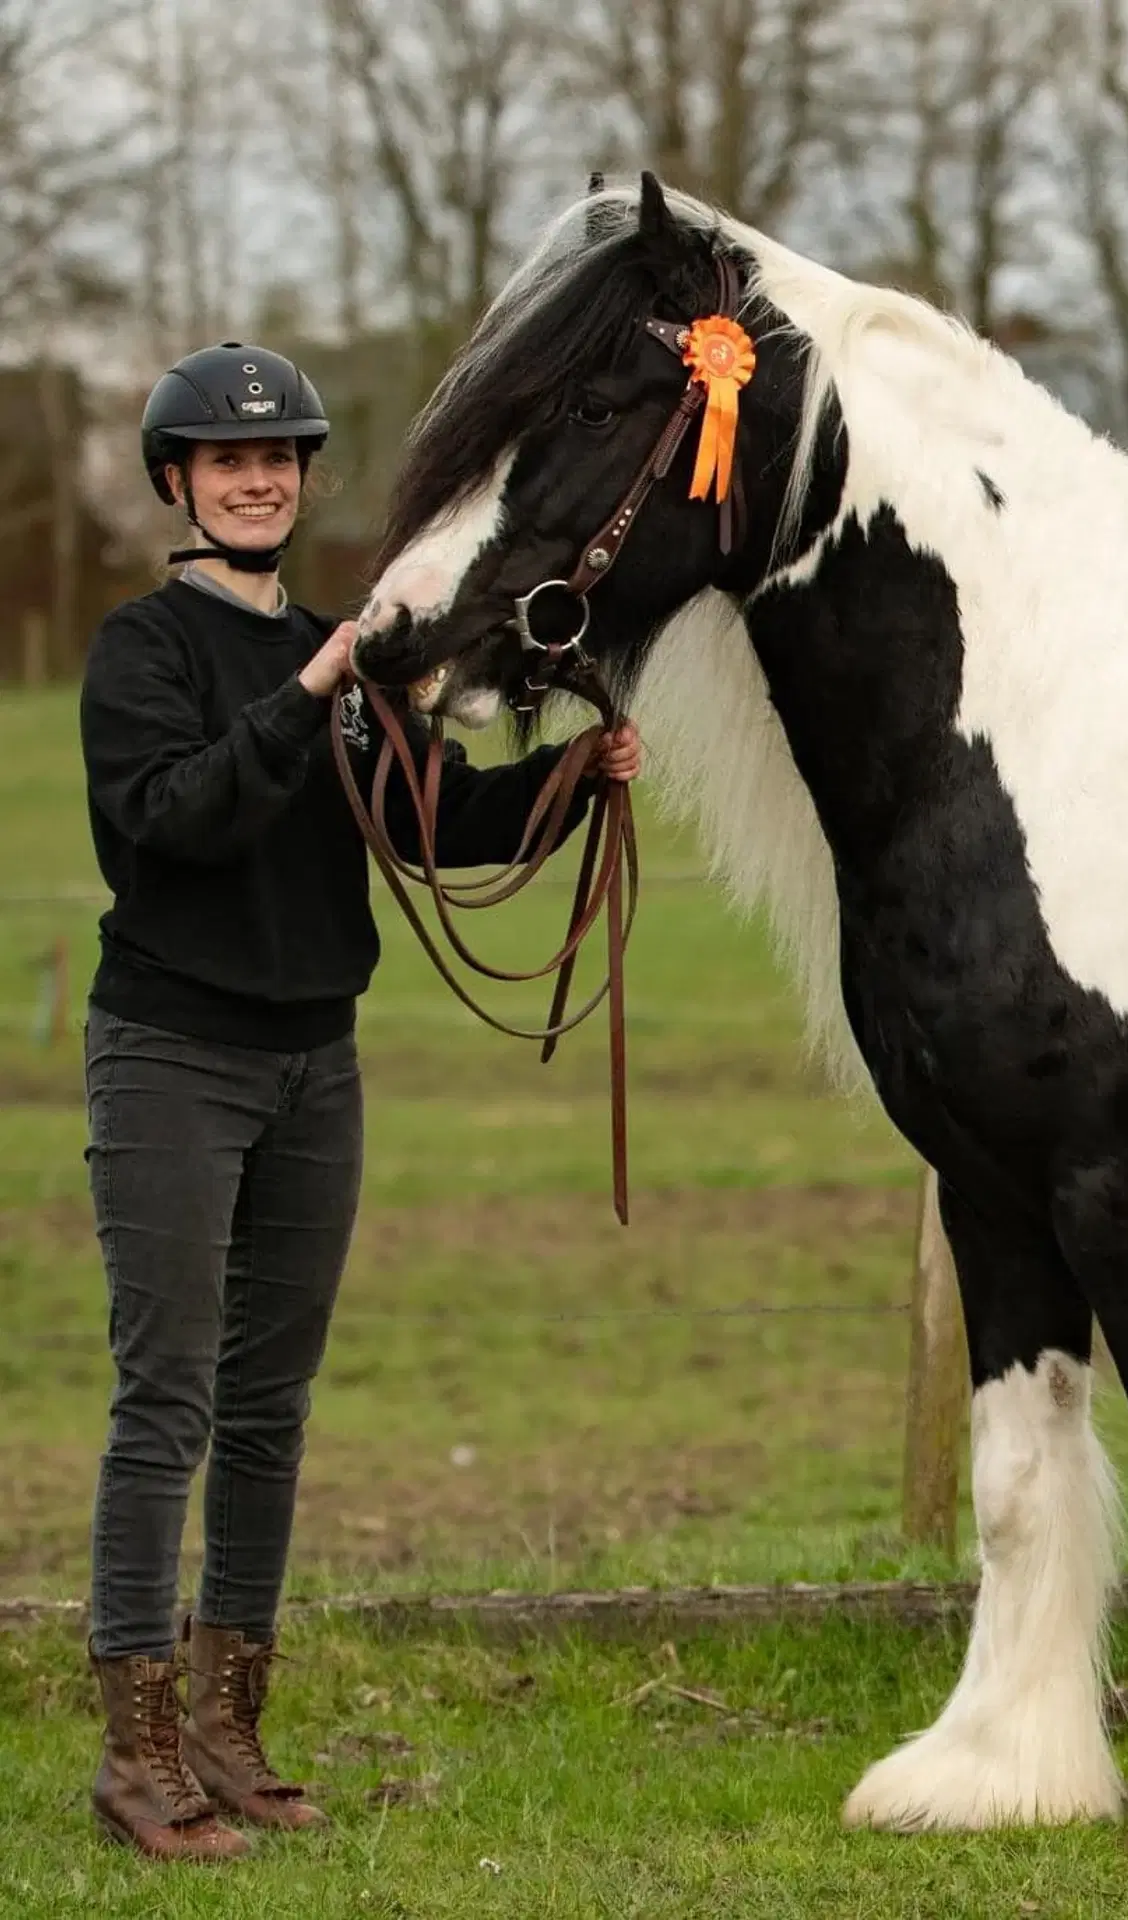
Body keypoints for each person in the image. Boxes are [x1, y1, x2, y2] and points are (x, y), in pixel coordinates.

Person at [75, 341, 642, 1860]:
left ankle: (228, 1733)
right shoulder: (144, 654)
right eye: (227, 461)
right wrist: (314, 687)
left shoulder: (346, 650)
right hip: (174, 1057)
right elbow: (174, 821)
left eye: (281, 460)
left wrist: (562, 783)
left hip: (316, 1060)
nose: (259, 479)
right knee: (167, 1404)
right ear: (178, 485)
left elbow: (417, 810)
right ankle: (134, 1758)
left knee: (269, 1412)